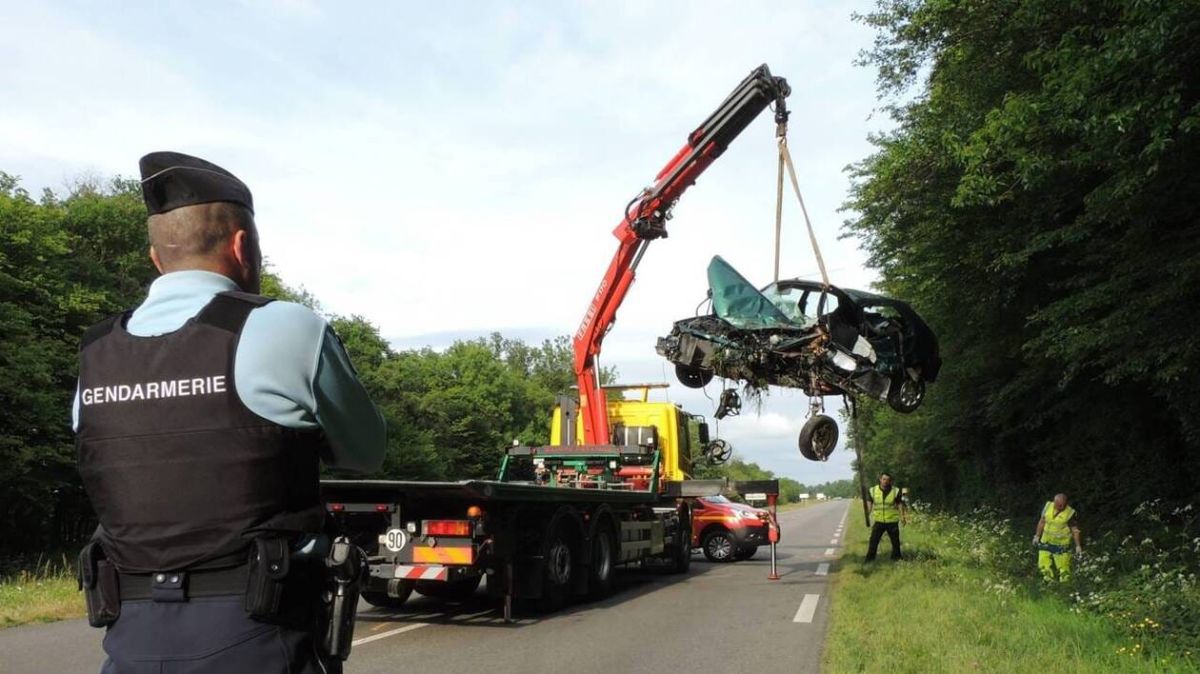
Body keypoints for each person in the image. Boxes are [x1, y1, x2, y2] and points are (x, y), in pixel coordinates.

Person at [73, 151, 386, 673]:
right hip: (259, 638)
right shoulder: (287, 326)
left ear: (156, 257)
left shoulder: (95, 352)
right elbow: (366, 452)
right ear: (243, 246)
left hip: (127, 640)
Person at [1033, 493, 1082, 582]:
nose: (1061, 506)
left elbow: (1075, 530)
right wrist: (1037, 536)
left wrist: (1078, 545)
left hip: (1061, 544)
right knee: (1043, 562)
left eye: (1063, 505)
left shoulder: (1070, 513)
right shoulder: (1048, 506)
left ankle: (1065, 585)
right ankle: (1048, 580)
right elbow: (1042, 522)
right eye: (1059, 505)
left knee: (1063, 565)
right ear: (1054, 502)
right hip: (1046, 540)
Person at [865, 472, 907, 561]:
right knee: (873, 541)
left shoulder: (896, 491)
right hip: (879, 521)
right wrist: (867, 514)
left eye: (888, 480)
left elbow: (900, 504)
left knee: (895, 542)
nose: (885, 481)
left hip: (892, 521)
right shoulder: (872, 490)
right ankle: (869, 559)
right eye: (884, 479)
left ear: (890, 481)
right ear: (880, 479)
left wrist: (903, 517)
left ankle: (897, 558)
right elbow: (869, 504)